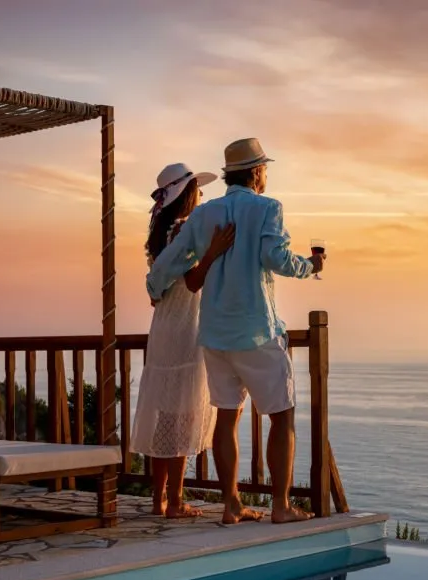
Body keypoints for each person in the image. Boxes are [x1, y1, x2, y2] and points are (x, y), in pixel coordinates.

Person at [147, 138, 325, 524]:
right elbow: (275, 258)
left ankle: (231, 505)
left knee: (227, 417)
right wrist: (311, 266)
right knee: (282, 415)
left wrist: (153, 288)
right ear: (258, 172)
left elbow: (169, 262)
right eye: (265, 170)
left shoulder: (204, 214)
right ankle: (280, 507)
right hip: (256, 330)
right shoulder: (267, 209)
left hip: (214, 334)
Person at [132, 162, 236, 518]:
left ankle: (159, 499)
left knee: (164, 414)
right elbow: (192, 282)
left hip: (163, 326)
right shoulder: (183, 231)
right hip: (184, 328)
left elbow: (157, 289)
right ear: (188, 194)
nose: (203, 196)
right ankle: (175, 502)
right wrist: (213, 252)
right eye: (198, 190)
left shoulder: (161, 231)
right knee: (181, 416)